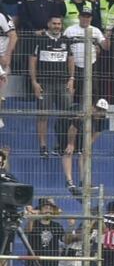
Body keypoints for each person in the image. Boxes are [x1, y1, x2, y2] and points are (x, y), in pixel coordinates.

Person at [30, 16, 74, 160]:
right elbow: (32, 62)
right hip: (45, 84)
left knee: (67, 115)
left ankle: (61, 145)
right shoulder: (40, 40)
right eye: (54, 23)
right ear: (48, 24)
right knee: (43, 115)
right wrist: (35, 82)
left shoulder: (66, 40)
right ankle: (43, 146)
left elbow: (71, 60)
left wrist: (71, 79)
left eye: (59, 24)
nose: (56, 26)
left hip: (62, 84)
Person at [64, 5, 108, 105]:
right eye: (83, 16)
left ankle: (91, 114)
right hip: (74, 65)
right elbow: (63, 46)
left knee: (93, 90)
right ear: (79, 17)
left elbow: (105, 47)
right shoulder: (70, 30)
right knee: (75, 90)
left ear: (91, 18)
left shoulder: (96, 31)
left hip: (91, 64)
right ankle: (75, 112)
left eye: (88, 17)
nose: (85, 19)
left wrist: (107, 38)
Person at [24, 198, 64, 266]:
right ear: (40, 210)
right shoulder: (34, 223)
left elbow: (64, 239)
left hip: (51, 263)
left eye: (50, 209)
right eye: (45, 208)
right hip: (34, 263)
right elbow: (28, 230)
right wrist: (32, 216)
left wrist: (71, 226)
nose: (48, 210)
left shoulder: (57, 226)